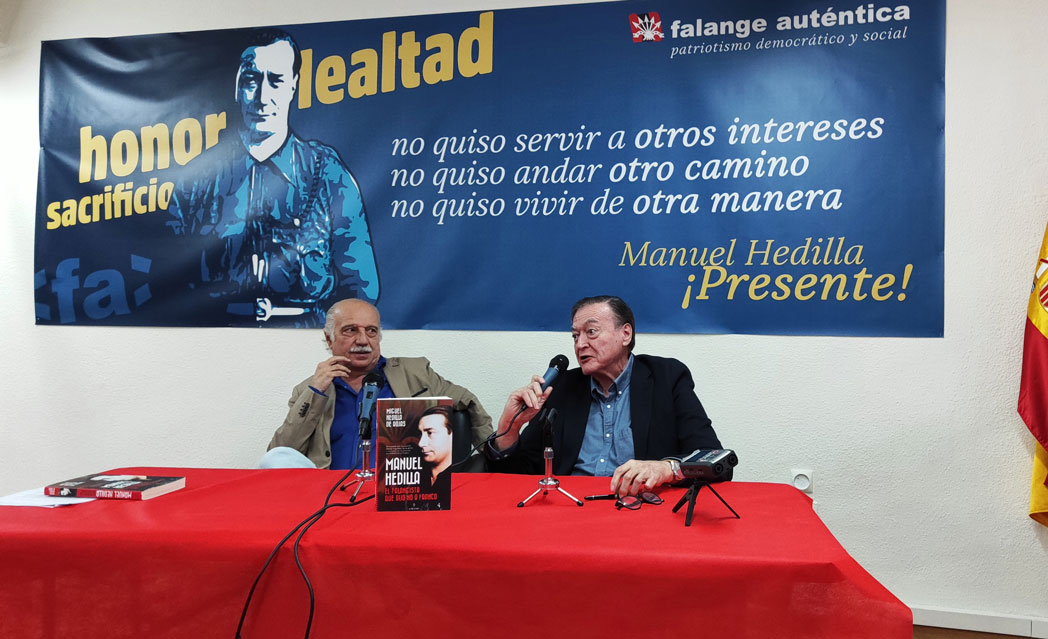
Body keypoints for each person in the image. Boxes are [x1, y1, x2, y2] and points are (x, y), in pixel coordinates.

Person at [167, 28, 378, 327]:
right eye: (253, 79)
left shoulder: (329, 175)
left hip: (307, 350)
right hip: (216, 350)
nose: (263, 97)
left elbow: (361, 291)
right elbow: (170, 287)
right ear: (237, 86)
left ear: (293, 87)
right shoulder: (196, 179)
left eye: (276, 81)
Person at [487, 295, 721, 496]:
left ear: (625, 334)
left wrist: (666, 469)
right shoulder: (563, 387)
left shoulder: (667, 378)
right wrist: (510, 427)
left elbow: (712, 457)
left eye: (591, 332)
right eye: (575, 336)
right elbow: (519, 476)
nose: (580, 344)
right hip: (569, 509)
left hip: (640, 507)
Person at [262, 299, 492, 469]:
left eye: (371, 331)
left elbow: (468, 401)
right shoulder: (309, 390)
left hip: (400, 494)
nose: (362, 340)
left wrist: (494, 454)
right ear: (329, 337)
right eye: (351, 330)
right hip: (328, 498)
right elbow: (280, 455)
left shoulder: (415, 373)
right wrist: (315, 391)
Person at [415, 404, 454, 509]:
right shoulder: (414, 479)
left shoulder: (460, 481)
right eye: (420, 434)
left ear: (451, 434)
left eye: (430, 433)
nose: (421, 443)